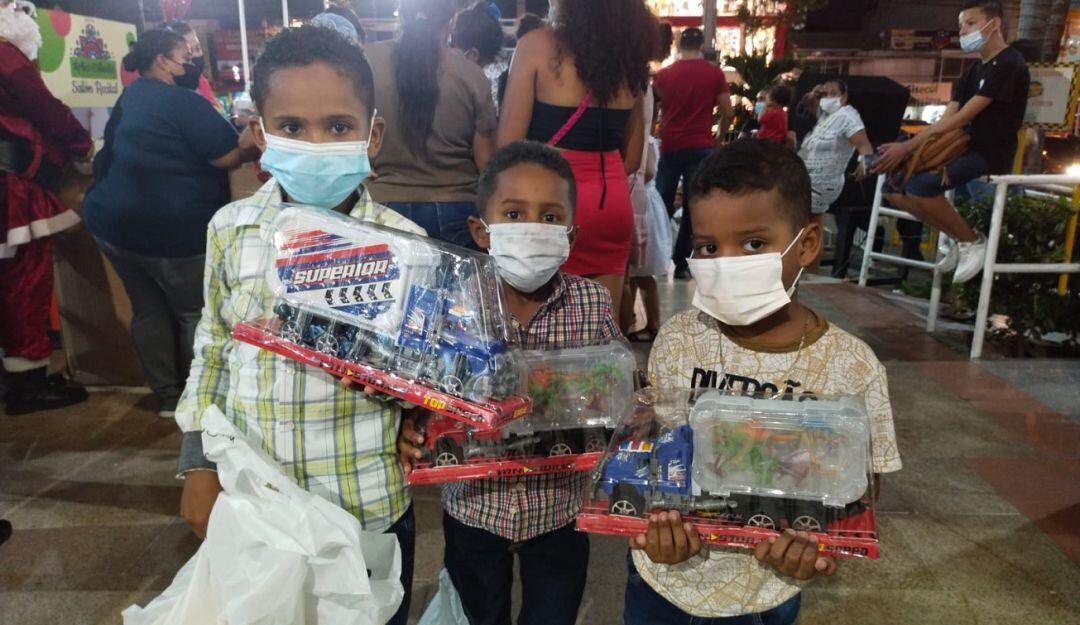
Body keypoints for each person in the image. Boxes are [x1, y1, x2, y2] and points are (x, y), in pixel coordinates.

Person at [173, 27, 422, 625]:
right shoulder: (231, 229)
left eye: (338, 127)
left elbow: (420, 370)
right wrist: (198, 463)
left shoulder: (405, 246)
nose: (315, 142)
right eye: (291, 127)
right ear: (260, 132)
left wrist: (421, 411)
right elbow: (212, 343)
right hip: (257, 502)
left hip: (366, 497)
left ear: (372, 134)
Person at [625, 139, 902, 625]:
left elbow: (860, 487)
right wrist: (658, 523)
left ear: (808, 243)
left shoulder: (851, 366)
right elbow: (663, 453)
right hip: (665, 581)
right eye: (708, 247)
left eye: (753, 244)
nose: (727, 261)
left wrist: (810, 541)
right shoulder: (679, 338)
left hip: (766, 590)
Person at [399, 141, 619, 625]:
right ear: (482, 230)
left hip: (559, 510)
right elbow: (421, 384)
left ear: (570, 235)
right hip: (474, 509)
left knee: (552, 614)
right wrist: (412, 424)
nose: (531, 228)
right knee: (480, 613)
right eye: (514, 213)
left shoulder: (592, 303)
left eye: (548, 217)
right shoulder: (450, 302)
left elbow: (615, 380)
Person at [82, 29, 253, 418]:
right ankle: (199, 400)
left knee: (149, 310)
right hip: (171, 233)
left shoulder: (134, 94)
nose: (194, 62)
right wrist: (250, 134)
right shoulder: (182, 102)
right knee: (193, 312)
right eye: (186, 55)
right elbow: (227, 156)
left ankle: (166, 397)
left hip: (112, 226)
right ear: (162, 60)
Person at [499, 0, 656, 321]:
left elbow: (508, 149)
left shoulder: (536, 46)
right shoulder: (629, 59)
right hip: (609, 204)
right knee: (601, 340)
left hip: (549, 205)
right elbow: (633, 158)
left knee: (538, 330)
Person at [874, 0, 1029, 283]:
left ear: (993, 24)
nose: (963, 31)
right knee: (893, 187)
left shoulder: (1009, 64)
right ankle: (958, 239)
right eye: (961, 26)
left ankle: (972, 241)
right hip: (959, 147)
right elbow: (950, 113)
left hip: (988, 152)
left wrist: (907, 147)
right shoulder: (974, 70)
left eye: (970, 24)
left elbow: (963, 117)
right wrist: (921, 146)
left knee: (921, 187)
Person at [0, 0, 92, 415]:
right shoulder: (6, 55)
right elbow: (45, 109)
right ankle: (26, 383)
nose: (22, 10)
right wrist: (82, 144)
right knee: (24, 281)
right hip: (12, 186)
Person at [365, 0, 497, 249]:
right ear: (452, 21)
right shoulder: (471, 75)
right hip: (457, 208)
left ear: (401, 17)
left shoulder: (369, 61)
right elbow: (486, 164)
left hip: (382, 205)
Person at [653, 26, 733, 281]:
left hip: (670, 144)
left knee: (661, 204)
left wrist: (656, 130)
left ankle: (656, 258)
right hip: (700, 145)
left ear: (679, 44)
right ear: (702, 45)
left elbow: (655, 108)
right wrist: (719, 137)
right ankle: (682, 263)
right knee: (692, 205)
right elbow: (728, 111)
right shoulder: (714, 74)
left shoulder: (665, 74)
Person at [798, 79, 875, 215]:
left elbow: (865, 146)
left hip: (822, 187)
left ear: (844, 97)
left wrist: (865, 165)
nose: (827, 98)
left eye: (832, 94)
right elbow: (807, 102)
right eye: (824, 95)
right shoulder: (825, 116)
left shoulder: (847, 116)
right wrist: (813, 94)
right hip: (805, 180)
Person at [163, 20, 224, 113]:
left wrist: (234, 121)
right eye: (188, 53)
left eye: (198, 48)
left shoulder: (200, 80)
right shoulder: (171, 94)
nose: (196, 55)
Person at [452, 3, 505, 68]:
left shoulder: (459, 76)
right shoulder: (503, 75)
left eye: (451, 45)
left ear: (472, 55)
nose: (448, 52)